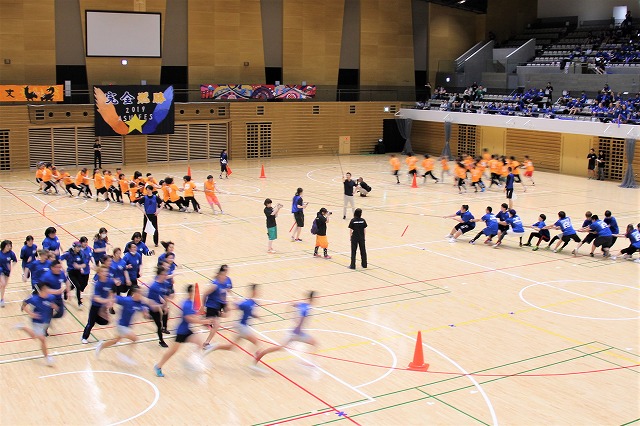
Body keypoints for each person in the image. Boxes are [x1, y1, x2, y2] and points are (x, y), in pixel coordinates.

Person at [195, 284, 266, 373]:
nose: (258, 292)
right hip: (242, 327)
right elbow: (234, 307)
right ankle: (254, 364)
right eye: (257, 291)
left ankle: (214, 347)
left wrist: (256, 316)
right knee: (258, 344)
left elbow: (250, 312)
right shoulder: (246, 303)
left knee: (231, 347)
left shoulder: (253, 302)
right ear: (253, 291)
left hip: (242, 327)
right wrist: (225, 308)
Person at [153, 284, 217, 377]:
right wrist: (205, 321)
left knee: (200, 343)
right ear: (190, 293)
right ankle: (158, 366)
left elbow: (194, 316)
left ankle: (191, 361)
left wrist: (203, 319)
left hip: (187, 330)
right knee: (172, 351)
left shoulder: (191, 303)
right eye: (193, 293)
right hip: (181, 332)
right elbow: (189, 319)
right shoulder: (186, 304)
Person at [96, 286, 160, 365]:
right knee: (135, 339)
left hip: (127, 326)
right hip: (121, 325)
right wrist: (106, 306)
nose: (141, 295)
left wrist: (147, 313)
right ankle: (125, 355)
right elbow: (114, 298)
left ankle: (100, 346)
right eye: (140, 293)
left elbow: (145, 313)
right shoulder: (127, 300)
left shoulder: (139, 303)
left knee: (115, 341)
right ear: (134, 293)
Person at [255, 291, 318, 364]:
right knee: (314, 343)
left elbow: (292, 304)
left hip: (295, 332)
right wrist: (298, 327)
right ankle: (309, 362)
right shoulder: (306, 309)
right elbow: (302, 319)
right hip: (296, 333)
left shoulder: (302, 304)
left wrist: (287, 313)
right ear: (312, 298)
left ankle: (261, 353)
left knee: (281, 348)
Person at [15, 283, 58, 365]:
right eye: (45, 290)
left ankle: (22, 327)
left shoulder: (51, 297)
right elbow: (24, 304)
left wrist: (55, 307)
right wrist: (30, 313)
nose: (47, 291)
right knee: (42, 339)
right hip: (36, 321)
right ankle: (47, 358)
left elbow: (52, 305)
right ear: (40, 291)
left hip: (45, 321)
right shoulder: (34, 299)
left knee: (34, 336)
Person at [202, 264, 233, 349]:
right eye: (225, 271)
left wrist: (231, 298)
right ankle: (206, 343)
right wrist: (202, 306)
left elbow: (228, 289)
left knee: (228, 313)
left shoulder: (228, 280)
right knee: (216, 324)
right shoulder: (215, 284)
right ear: (221, 272)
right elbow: (204, 294)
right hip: (212, 304)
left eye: (227, 271)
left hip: (221, 302)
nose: (226, 272)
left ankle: (207, 319)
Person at [80, 265, 113, 344]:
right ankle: (84, 337)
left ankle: (96, 319)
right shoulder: (98, 284)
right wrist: (106, 301)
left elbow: (111, 291)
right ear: (99, 273)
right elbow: (96, 298)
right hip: (95, 306)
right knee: (90, 323)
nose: (105, 273)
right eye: (103, 272)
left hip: (103, 306)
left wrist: (110, 302)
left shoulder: (109, 281)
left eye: (106, 271)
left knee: (105, 321)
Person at [147, 266, 171, 348]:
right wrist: (161, 305)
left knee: (166, 312)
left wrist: (165, 305)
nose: (166, 276)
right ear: (160, 275)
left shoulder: (165, 283)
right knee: (158, 324)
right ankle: (161, 340)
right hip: (154, 307)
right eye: (165, 274)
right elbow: (150, 301)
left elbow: (164, 295)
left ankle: (164, 328)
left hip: (160, 304)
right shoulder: (153, 286)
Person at [60, 242, 88, 308]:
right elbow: (60, 259)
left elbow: (84, 264)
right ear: (73, 247)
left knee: (76, 286)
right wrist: (63, 268)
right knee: (77, 286)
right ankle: (79, 302)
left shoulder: (81, 254)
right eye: (77, 247)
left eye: (79, 247)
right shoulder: (68, 254)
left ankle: (65, 291)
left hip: (78, 272)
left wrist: (79, 266)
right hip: (71, 272)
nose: (79, 249)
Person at [0, 240, 17, 307]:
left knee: (3, 285)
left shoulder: (11, 253)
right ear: (4, 246)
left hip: (7, 271)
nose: (9, 247)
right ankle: (2, 300)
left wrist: (11, 266)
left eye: (10, 245)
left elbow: (15, 261)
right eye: (8, 246)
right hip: (0, 270)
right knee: (3, 284)